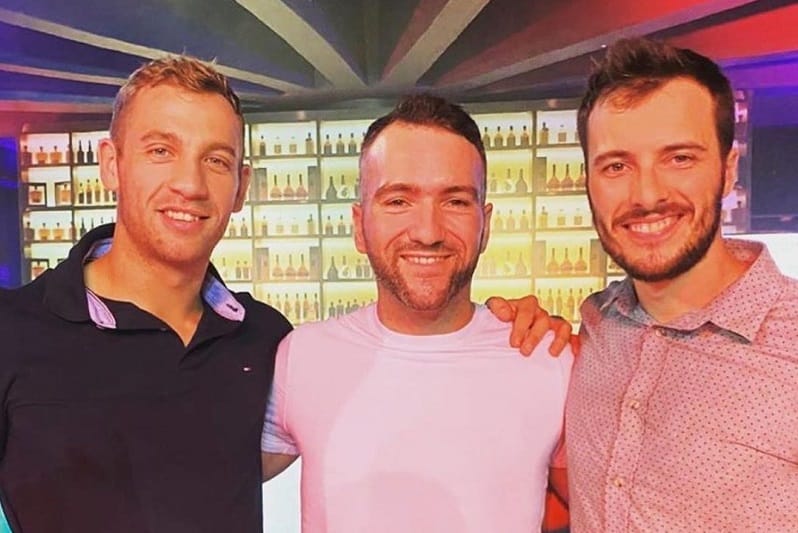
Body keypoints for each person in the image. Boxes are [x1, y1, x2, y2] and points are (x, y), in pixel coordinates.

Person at [0, 56, 564, 532]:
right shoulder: (12, 332)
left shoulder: (264, 340)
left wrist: (537, 328)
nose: (190, 184)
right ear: (111, 165)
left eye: (215, 160)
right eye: (160, 150)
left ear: (241, 186)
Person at [261, 94, 573, 532]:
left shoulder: (549, 357)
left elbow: (607, 507)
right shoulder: (303, 356)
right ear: (358, 225)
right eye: (398, 201)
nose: (428, 232)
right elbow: (203, 479)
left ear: (485, 225)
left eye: (455, 201)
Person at [567, 37, 798, 531]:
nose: (647, 194)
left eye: (679, 158)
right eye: (616, 166)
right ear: (588, 180)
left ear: (728, 170)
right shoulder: (595, 325)